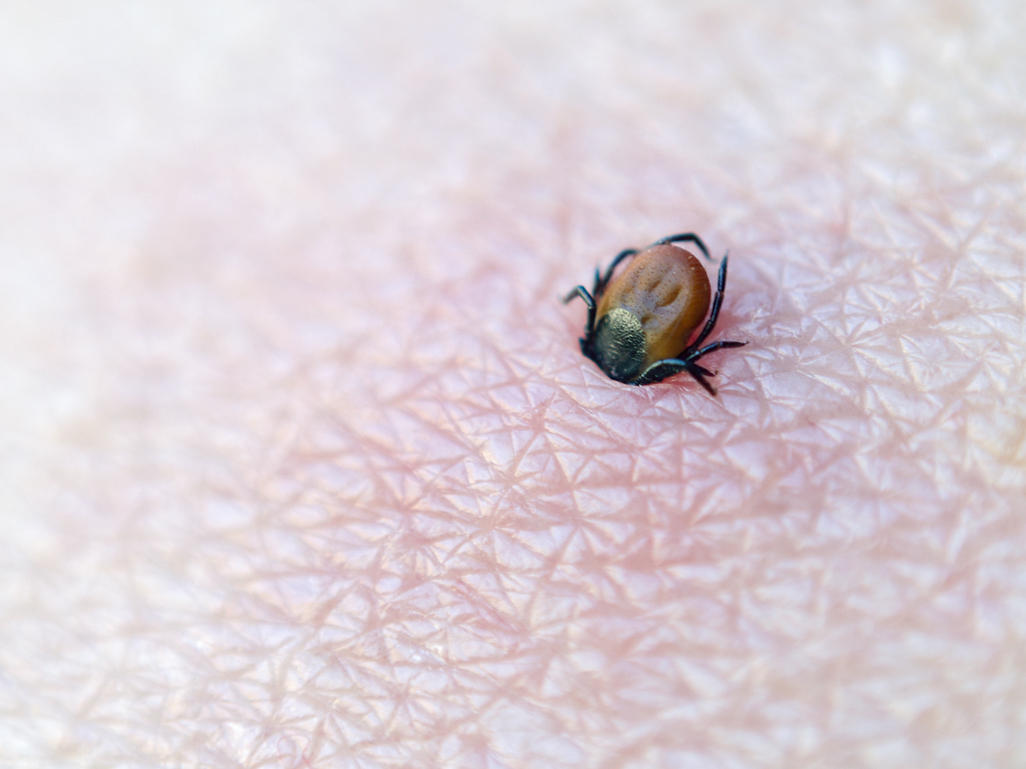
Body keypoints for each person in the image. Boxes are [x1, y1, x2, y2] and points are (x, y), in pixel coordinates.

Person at [4, 2, 1024, 767]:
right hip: (661, 288)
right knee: (664, 311)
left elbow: (648, 299)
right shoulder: (645, 326)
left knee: (659, 312)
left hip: (657, 289)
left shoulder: (639, 331)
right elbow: (657, 297)